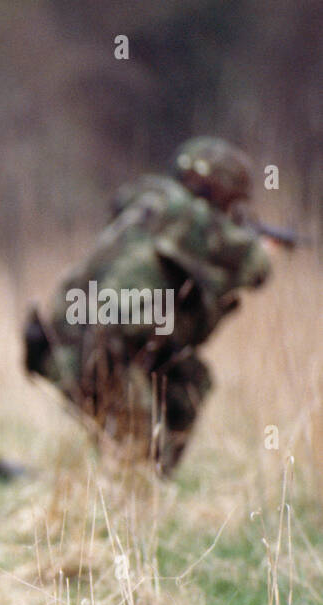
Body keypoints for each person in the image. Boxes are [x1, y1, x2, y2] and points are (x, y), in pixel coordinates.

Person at [23, 136, 274, 476]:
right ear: (216, 189)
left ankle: (84, 485)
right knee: (136, 465)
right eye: (232, 204)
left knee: (188, 381)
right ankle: (117, 494)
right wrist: (264, 249)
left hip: (68, 349)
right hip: (97, 352)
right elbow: (254, 264)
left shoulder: (147, 206)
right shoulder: (182, 211)